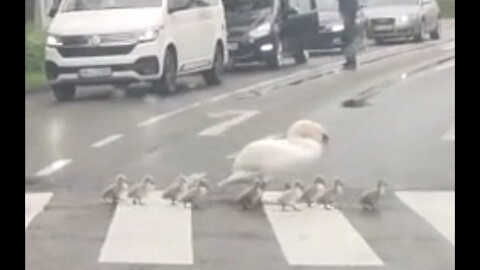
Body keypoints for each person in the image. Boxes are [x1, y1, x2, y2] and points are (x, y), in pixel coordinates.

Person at [338, 0, 359, 70]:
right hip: (348, 15)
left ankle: (352, 61)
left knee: (350, 40)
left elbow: (353, 7)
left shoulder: (349, 5)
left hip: (349, 16)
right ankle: (349, 61)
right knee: (347, 40)